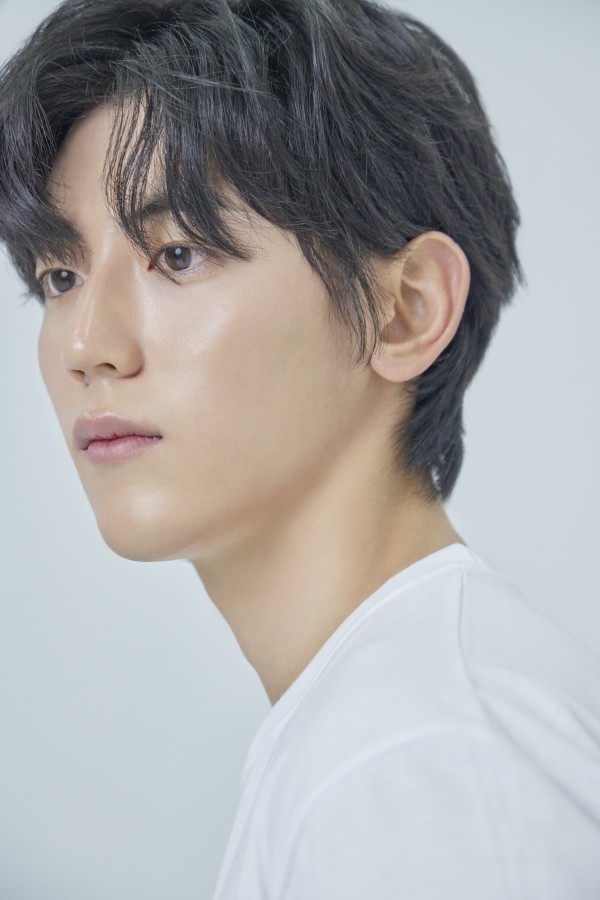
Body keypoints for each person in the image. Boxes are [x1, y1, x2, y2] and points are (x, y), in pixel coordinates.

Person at [1, 0, 599, 897]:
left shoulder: (422, 766)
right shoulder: (388, 729)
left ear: (406, 310)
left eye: (178, 254)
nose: (87, 345)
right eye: (60, 275)